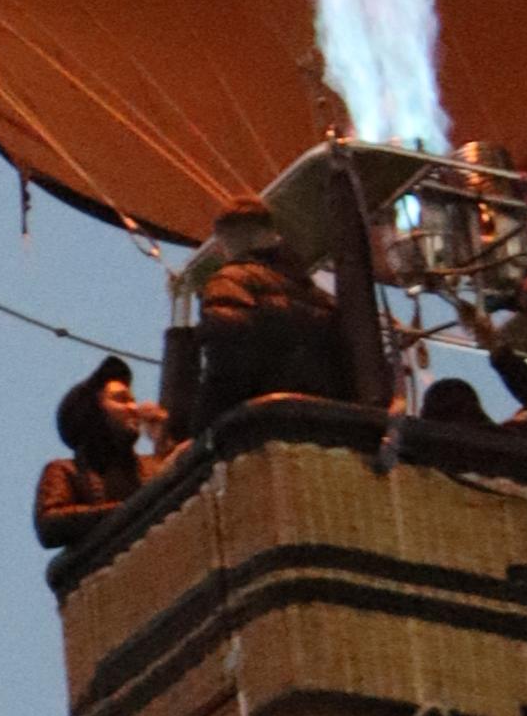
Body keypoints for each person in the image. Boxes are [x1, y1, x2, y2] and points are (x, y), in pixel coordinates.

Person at [183, 211, 356, 420]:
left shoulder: (230, 281)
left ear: (223, 243)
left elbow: (226, 363)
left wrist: (202, 430)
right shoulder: (322, 299)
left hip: (262, 428)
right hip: (323, 427)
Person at [36, 356, 164, 539]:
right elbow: (49, 524)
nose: (134, 408)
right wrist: (125, 509)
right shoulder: (66, 471)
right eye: (121, 400)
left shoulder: (155, 467)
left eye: (132, 400)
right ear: (93, 411)